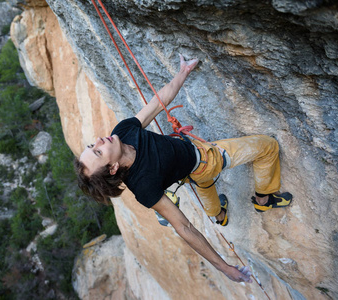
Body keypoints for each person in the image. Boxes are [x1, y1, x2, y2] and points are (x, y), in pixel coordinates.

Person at [74, 55, 292, 283]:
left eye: (92, 145)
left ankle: (219, 215)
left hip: (188, 172)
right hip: (205, 159)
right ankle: (263, 199)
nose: (99, 140)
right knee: (268, 147)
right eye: (98, 151)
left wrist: (183, 73)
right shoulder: (144, 186)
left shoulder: (123, 131)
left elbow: (158, 103)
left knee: (205, 184)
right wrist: (224, 268)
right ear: (113, 168)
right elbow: (184, 227)